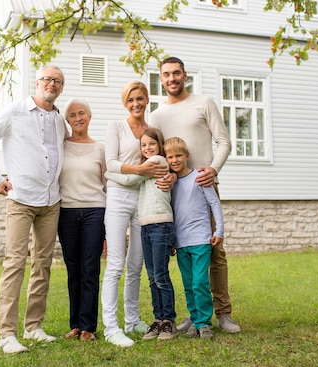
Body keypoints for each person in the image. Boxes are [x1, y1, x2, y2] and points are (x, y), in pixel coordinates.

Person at [0, 65, 67, 354]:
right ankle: (6, 334)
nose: (52, 84)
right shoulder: (15, 111)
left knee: (43, 265)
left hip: (51, 202)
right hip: (20, 199)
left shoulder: (60, 120)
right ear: (37, 82)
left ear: (61, 88)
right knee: (14, 263)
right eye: (47, 79)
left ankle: (34, 327)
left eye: (57, 81)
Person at [149, 56, 241, 334]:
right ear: (161, 78)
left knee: (214, 250)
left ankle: (223, 313)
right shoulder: (156, 115)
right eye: (166, 74)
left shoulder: (204, 103)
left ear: (185, 75)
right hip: (173, 194)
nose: (171, 78)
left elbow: (224, 141)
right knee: (185, 253)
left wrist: (213, 169)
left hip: (203, 187)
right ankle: (194, 314)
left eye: (176, 73)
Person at [102, 81, 170, 347]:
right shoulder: (116, 127)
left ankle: (132, 321)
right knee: (116, 263)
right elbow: (110, 165)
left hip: (144, 200)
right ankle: (111, 327)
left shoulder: (153, 131)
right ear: (125, 102)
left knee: (136, 265)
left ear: (147, 99)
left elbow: (164, 161)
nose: (136, 104)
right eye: (131, 100)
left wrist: (170, 177)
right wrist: (140, 170)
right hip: (119, 197)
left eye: (140, 98)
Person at [165, 137, 223, 339]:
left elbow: (214, 204)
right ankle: (195, 319)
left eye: (178, 155)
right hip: (181, 243)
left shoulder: (199, 177)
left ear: (186, 156)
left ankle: (204, 323)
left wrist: (219, 232)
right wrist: (172, 240)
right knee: (189, 284)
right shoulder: (170, 184)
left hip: (201, 239)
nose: (174, 160)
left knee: (200, 282)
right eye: (170, 157)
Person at [58, 98, 106, 342]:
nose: (78, 118)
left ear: (89, 116)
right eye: (73, 115)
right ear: (67, 121)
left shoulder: (100, 149)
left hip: (94, 212)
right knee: (73, 270)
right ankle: (75, 324)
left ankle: (88, 327)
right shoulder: (60, 147)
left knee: (90, 269)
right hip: (66, 212)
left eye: (82, 113)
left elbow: (107, 184)